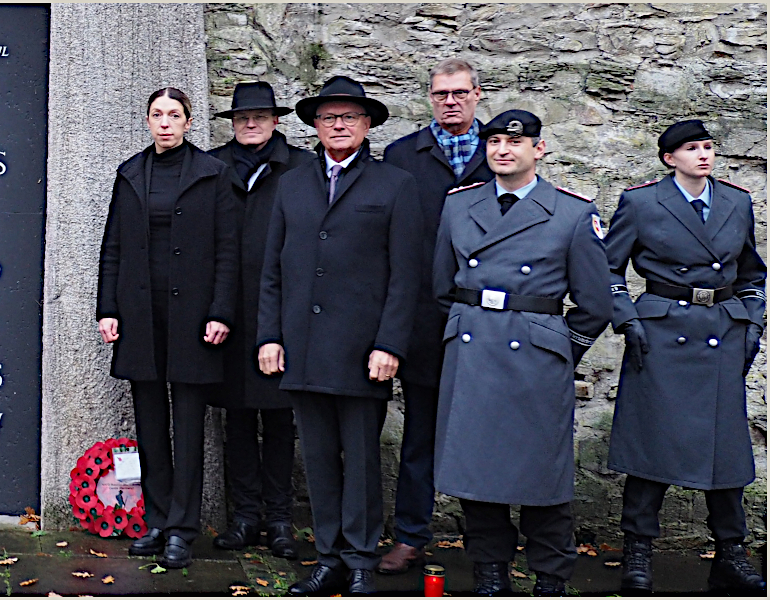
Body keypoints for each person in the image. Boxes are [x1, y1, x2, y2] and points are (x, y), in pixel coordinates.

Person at [433, 110, 614, 596]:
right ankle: (490, 575)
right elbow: (442, 286)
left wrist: (556, 349)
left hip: (535, 362)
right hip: (473, 352)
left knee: (542, 480)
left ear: (539, 149)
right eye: (493, 141)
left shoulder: (573, 212)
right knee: (477, 478)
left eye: (515, 142)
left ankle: (550, 579)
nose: (502, 150)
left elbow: (596, 304)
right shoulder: (459, 205)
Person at [257, 76, 425, 596]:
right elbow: (272, 269)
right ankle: (327, 556)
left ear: (367, 124)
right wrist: (270, 336)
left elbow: (406, 276)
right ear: (314, 125)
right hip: (303, 347)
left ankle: (359, 558)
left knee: (362, 460)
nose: (338, 125)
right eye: (329, 117)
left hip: (362, 352)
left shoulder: (394, 184)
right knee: (319, 460)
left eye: (349, 117)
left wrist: (390, 344)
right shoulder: (292, 184)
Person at [605, 120, 766, 594]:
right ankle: (638, 552)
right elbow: (607, 267)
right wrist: (628, 320)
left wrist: (752, 321)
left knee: (726, 450)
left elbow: (751, 272)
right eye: (692, 148)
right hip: (661, 334)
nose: (703, 155)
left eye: (708, 146)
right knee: (651, 446)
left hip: (721, 333)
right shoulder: (641, 202)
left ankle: (731, 553)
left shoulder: (736, 201)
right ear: (669, 158)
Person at [95, 87, 239, 569]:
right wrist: (108, 308)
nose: (165, 123)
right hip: (141, 315)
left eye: (174, 115)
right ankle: (157, 519)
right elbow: (113, 247)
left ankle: (182, 527)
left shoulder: (213, 173)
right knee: (151, 423)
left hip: (194, 317)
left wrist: (221, 311)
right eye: (157, 114)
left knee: (190, 426)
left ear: (188, 122)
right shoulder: (131, 174)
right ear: (147, 121)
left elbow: (228, 249)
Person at [376, 58, 497, 573]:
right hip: (426, 319)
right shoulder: (403, 156)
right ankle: (411, 535)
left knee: (485, 433)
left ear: (477, 95)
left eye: (460, 93)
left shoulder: (500, 148)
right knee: (420, 433)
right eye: (441, 93)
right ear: (430, 97)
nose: (451, 101)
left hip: (486, 320)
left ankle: (488, 543)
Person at [206, 81, 314, 560]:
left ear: (276, 121)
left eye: (259, 117)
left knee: (279, 418)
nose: (250, 124)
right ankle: (245, 516)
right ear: (232, 123)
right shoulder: (214, 166)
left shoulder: (302, 167)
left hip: (282, 310)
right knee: (236, 417)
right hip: (229, 310)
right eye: (242, 118)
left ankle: (280, 519)